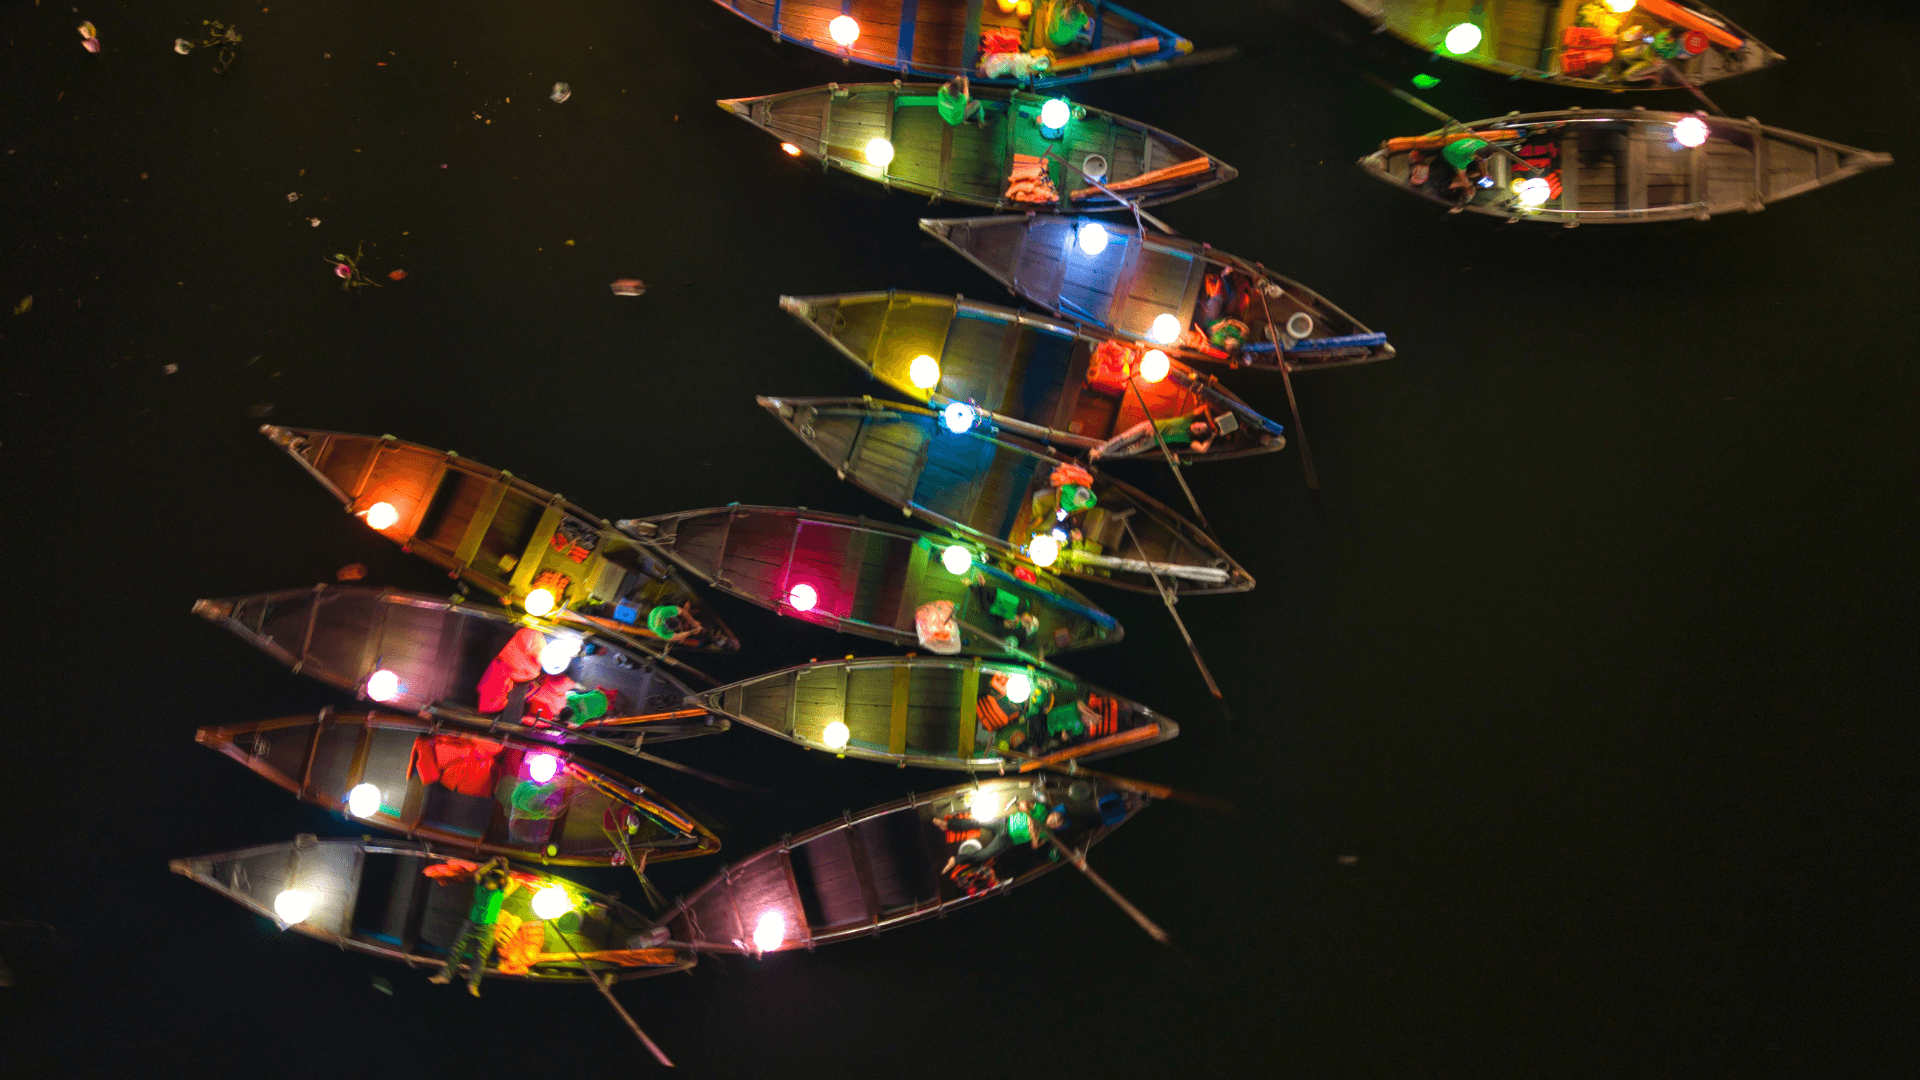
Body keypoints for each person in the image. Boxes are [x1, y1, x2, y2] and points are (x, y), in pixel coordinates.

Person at [428, 857, 518, 997]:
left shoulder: (500, 892)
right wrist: (493, 862)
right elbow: (479, 874)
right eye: (487, 881)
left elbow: (508, 879)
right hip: (470, 925)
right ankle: (445, 975)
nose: (488, 883)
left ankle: (473, 983)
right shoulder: (480, 887)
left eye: (491, 882)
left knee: (481, 957)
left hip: (487, 928)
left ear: (497, 883)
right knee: (456, 949)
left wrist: (504, 865)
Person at [1091, 411, 1216, 460]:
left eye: (1199, 430)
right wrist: (1210, 423)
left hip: (1152, 441)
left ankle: (1101, 454)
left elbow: (1202, 449)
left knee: (1128, 452)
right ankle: (1099, 451)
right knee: (1124, 438)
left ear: (1197, 435)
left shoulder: (1188, 439)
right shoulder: (1188, 419)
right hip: (1150, 427)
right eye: (1199, 425)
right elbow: (1204, 408)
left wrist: (1212, 436)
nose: (1197, 427)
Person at [1440, 137, 1496, 203]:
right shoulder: (1462, 156)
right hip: (1449, 155)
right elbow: (1462, 175)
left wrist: (1484, 173)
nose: (1474, 192)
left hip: (1451, 159)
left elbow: (1483, 160)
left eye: (1472, 194)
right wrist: (1469, 186)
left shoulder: (1483, 145)